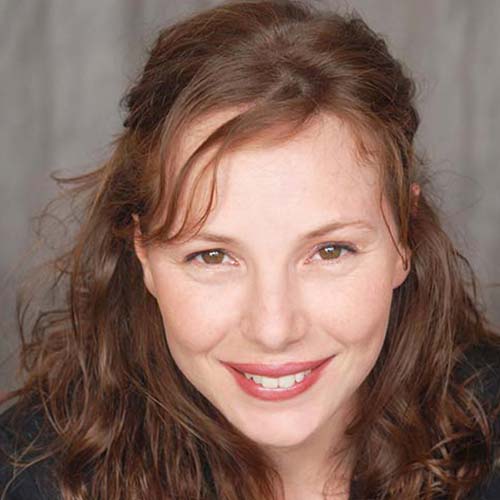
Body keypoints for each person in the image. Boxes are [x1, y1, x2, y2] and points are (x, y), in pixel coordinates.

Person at [1, 0, 499, 498]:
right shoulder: (30, 476)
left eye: (330, 251)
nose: (273, 330)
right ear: (143, 253)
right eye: (212, 256)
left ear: (404, 239)